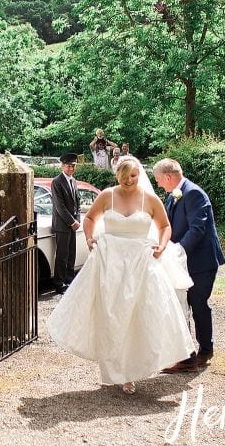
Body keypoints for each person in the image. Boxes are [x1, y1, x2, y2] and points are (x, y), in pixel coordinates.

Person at [47, 157, 195, 394]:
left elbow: (164, 226)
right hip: (110, 265)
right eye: (125, 176)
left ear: (139, 174)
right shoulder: (107, 195)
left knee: (139, 316)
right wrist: (89, 237)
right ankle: (115, 370)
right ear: (118, 175)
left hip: (140, 264)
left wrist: (162, 245)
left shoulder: (150, 198)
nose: (129, 181)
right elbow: (90, 219)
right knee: (112, 317)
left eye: (134, 176)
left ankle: (130, 373)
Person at [153, 158, 225, 372]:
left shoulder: (193, 193)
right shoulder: (174, 194)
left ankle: (204, 351)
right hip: (181, 262)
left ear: (168, 176)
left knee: (198, 304)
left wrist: (178, 251)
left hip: (200, 261)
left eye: (158, 179)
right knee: (180, 305)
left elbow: (197, 229)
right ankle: (186, 354)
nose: (158, 183)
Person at [50, 152, 81, 293]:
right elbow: (59, 206)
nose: (71, 168)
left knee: (71, 254)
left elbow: (78, 203)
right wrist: (71, 222)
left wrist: (77, 220)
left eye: (73, 166)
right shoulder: (57, 182)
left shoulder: (73, 181)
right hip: (62, 225)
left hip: (73, 224)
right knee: (62, 256)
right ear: (62, 166)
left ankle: (69, 280)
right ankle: (59, 283)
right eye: (69, 166)